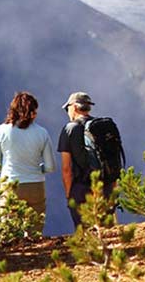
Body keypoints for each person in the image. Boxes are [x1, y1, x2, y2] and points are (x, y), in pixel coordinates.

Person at [0, 91, 55, 231]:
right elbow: (50, 167)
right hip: (36, 185)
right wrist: (38, 168)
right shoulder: (42, 132)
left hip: (10, 184)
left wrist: (2, 171)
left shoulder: (2, 131)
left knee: (9, 231)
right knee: (35, 231)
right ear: (33, 113)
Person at [57, 91, 117, 227]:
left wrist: (69, 195)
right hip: (106, 187)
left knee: (86, 232)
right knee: (107, 231)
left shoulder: (69, 129)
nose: (67, 112)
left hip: (82, 190)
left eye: (67, 108)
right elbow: (113, 159)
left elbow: (66, 169)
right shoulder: (103, 126)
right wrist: (113, 188)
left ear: (74, 107)